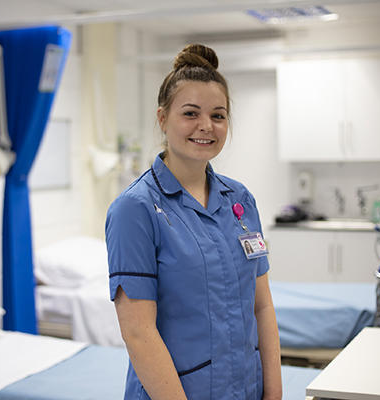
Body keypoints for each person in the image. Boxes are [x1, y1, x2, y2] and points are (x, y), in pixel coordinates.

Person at [105, 44, 282, 400]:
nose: (206, 126)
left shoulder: (240, 199)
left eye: (218, 115)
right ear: (162, 118)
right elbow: (138, 333)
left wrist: (273, 393)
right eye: (190, 113)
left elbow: (261, 305)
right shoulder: (136, 209)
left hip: (245, 389)